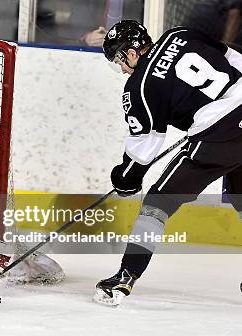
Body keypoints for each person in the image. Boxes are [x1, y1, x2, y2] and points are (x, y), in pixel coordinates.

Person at [94, 20, 242, 306]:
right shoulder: (181, 33)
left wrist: (125, 179)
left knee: (157, 203)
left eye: (119, 61)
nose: (122, 69)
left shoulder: (140, 86)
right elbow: (234, 57)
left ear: (132, 52)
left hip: (219, 134)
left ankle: (125, 276)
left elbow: (142, 153)